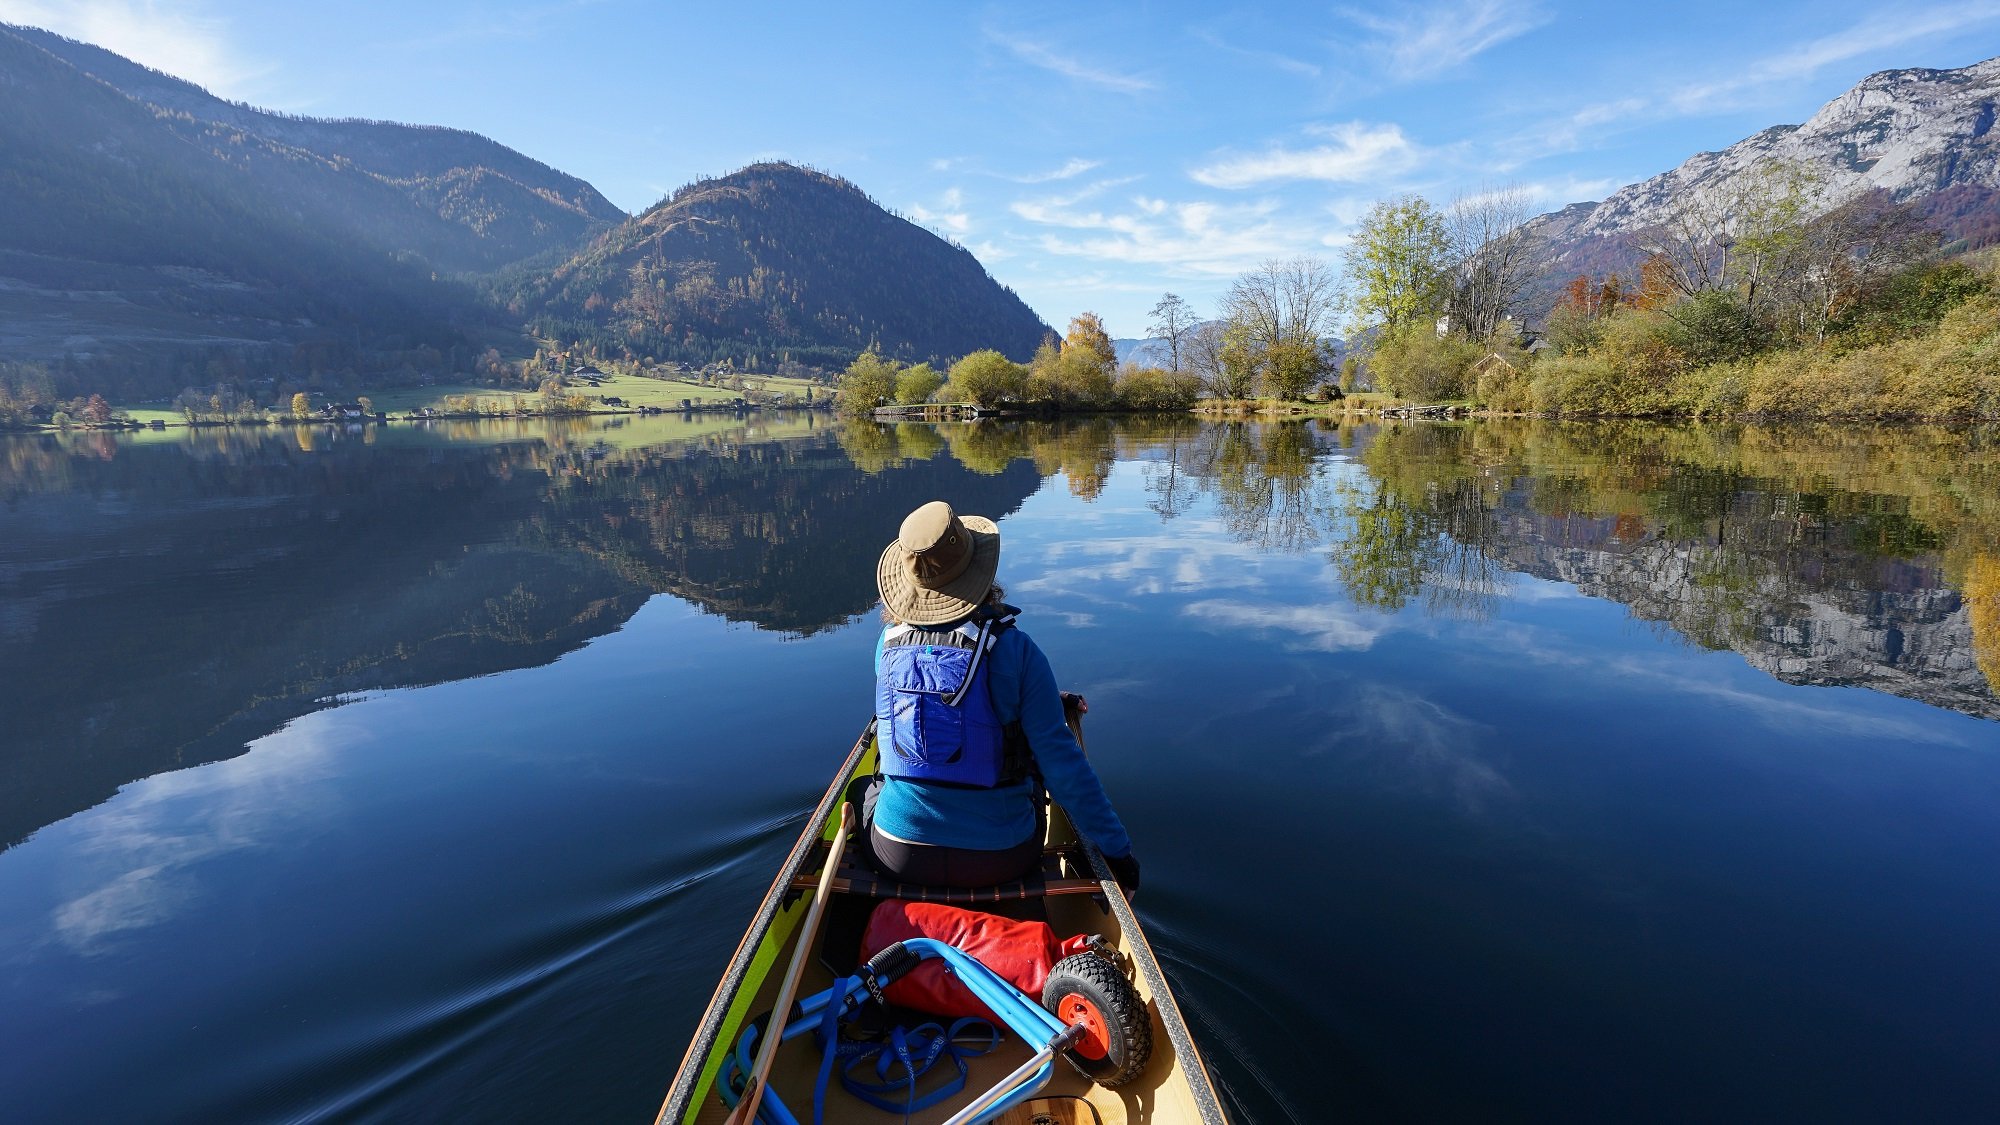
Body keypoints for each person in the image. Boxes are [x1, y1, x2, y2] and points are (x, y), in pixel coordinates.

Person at [866, 500, 1140, 897]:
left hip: (898, 852)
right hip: (999, 856)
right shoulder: (1017, 651)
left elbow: (936, 705)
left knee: (864, 793)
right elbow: (1064, 769)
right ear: (979, 572)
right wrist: (1120, 856)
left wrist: (1044, 697)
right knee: (1034, 777)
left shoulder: (886, 647)